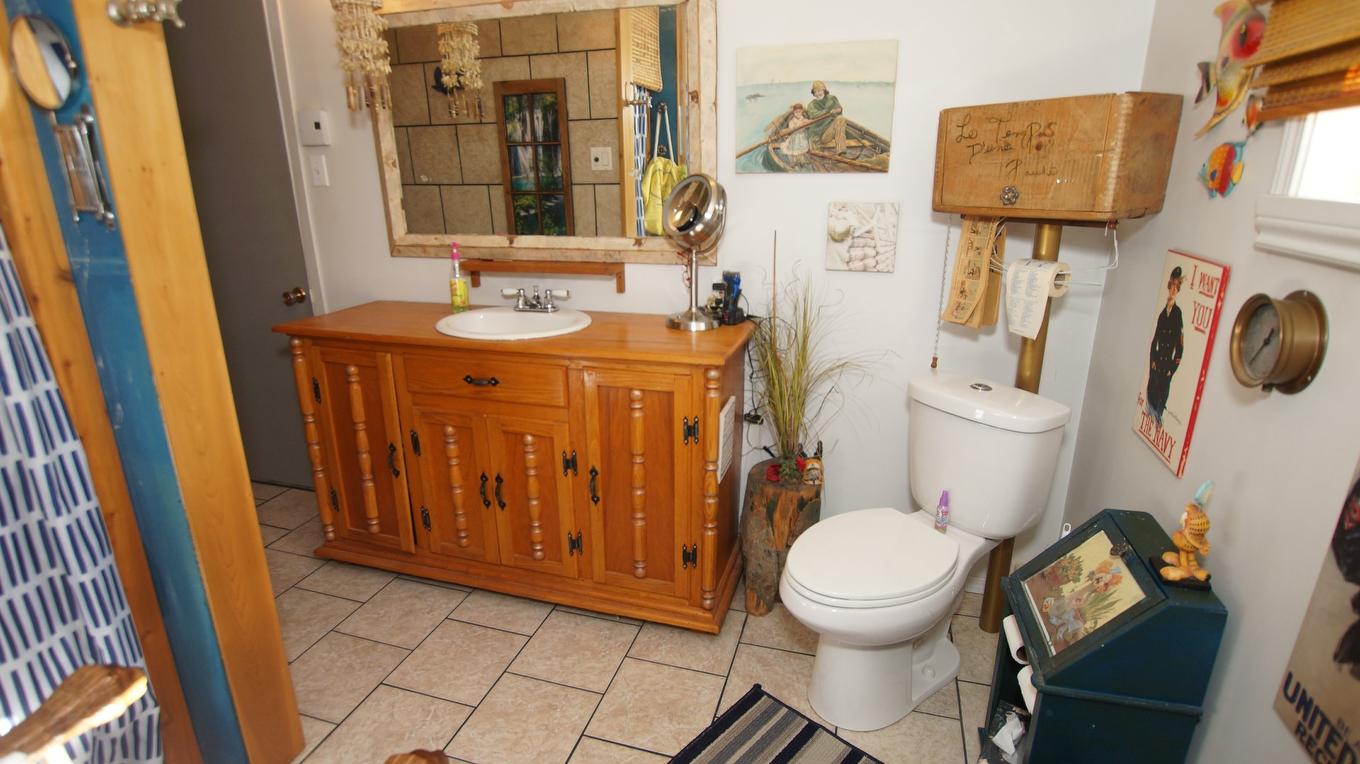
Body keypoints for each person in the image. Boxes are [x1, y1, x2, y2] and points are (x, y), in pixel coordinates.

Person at [1146, 266, 1185, 425]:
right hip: (1157, 364)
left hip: (1166, 367)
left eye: (1176, 287)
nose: (1173, 290)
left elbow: (1180, 346)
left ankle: (1158, 417)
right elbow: (1155, 340)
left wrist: (1172, 368)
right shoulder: (1163, 314)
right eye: (1172, 286)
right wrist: (1153, 360)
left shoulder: (1178, 314)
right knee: (1151, 394)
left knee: (1162, 398)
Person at [804, 80, 848, 154]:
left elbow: (839, 109)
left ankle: (841, 149)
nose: (818, 93)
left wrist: (838, 110)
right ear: (813, 94)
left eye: (819, 91)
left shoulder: (832, 98)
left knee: (841, 118)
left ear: (824, 90)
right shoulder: (811, 105)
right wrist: (828, 111)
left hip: (829, 132)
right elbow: (813, 115)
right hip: (819, 135)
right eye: (815, 92)